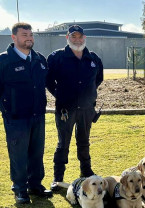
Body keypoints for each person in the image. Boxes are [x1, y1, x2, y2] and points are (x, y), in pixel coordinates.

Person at [0, 23, 53, 204]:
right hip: (16, 118)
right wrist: (6, 109)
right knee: (19, 154)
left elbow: (46, 84)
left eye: (31, 34)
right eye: (24, 34)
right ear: (14, 38)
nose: (29, 37)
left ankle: (35, 185)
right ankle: (20, 189)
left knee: (36, 153)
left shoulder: (39, 59)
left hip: (38, 115)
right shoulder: (4, 61)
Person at [46, 25, 103, 191]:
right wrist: (61, 96)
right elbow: (49, 81)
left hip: (86, 109)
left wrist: (87, 95)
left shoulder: (93, 58)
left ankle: (86, 171)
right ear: (67, 38)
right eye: (73, 37)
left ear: (84, 38)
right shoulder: (57, 57)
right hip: (66, 109)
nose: (77, 40)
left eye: (80, 37)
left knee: (84, 141)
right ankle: (58, 177)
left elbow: (98, 79)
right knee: (63, 143)